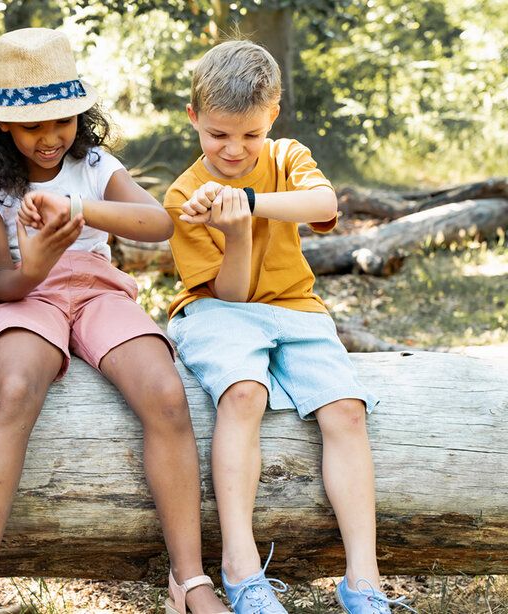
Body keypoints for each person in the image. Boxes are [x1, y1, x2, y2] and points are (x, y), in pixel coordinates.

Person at [0, 27, 230, 614]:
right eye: (33, 125)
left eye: (63, 121)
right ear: (4, 123)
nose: (50, 138)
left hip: (99, 289)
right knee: (15, 385)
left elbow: (158, 224)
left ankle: (189, 578)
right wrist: (39, 261)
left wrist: (78, 209)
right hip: (28, 295)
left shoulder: (94, 163)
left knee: (165, 393)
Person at [164, 40, 414, 614]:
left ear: (271, 117)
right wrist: (235, 234)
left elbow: (324, 202)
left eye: (250, 135)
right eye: (218, 134)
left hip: (296, 308)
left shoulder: (286, 156)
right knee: (245, 394)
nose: (234, 149)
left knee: (346, 410)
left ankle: (364, 581)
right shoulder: (184, 195)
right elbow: (230, 293)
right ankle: (241, 566)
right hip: (216, 311)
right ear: (194, 119)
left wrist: (248, 204)